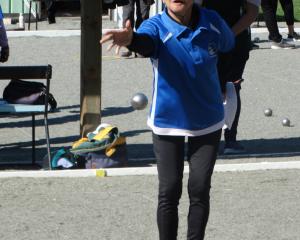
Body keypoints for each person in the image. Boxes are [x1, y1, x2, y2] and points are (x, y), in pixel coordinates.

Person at [100, 0, 235, 238]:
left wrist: (227, 80)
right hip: (168, 120)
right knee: (169, 190)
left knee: (200, 188)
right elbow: (146, 43)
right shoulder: (155, 25)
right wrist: (130, 39)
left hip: (208, 118)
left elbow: (229, 46)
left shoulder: (212, 21)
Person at [202, 0, 260, 154]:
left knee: (231, 86)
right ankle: (206, 137)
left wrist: (229, 34)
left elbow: (252, 12)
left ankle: (230, 138)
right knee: (206, 87)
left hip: (236, 39)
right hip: (207, 38)